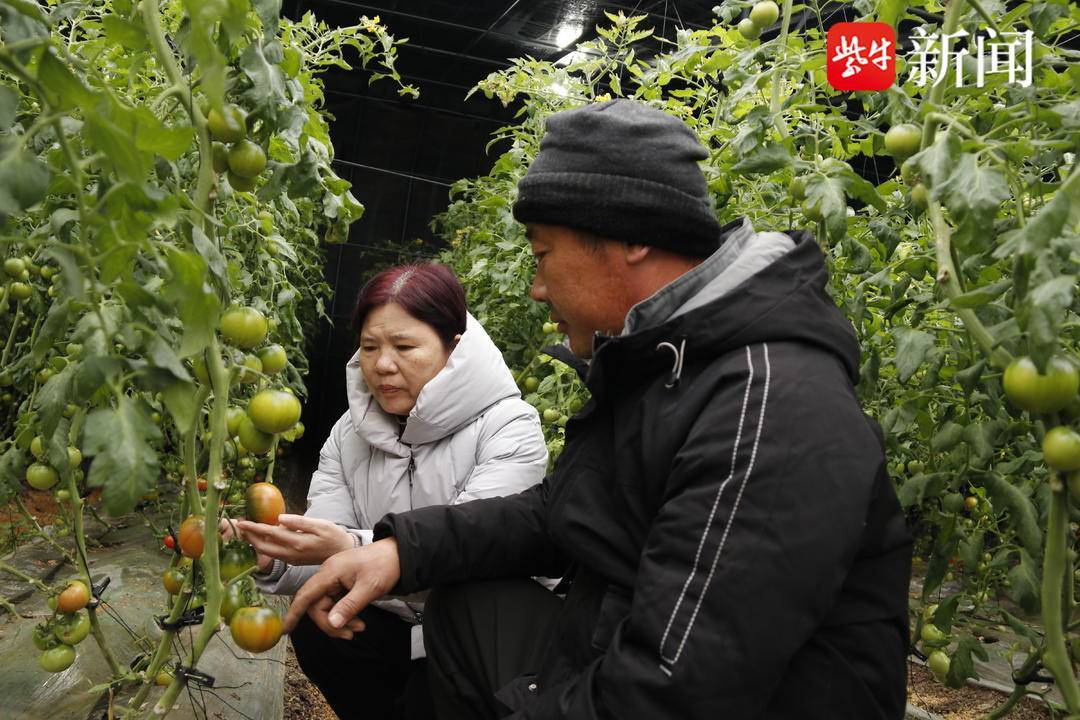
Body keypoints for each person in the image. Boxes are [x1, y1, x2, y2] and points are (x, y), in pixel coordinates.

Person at [282, 100, 913, 719]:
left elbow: (675, 688)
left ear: (630, 238)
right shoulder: (666, 363)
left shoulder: (769, 405)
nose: (536, 287)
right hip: (619, 636)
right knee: (469, 603)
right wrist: (401, 550)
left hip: (744, 697)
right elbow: (563, 514)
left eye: (542, 254)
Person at [232, 262, 549, 720]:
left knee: (433, 685)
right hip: (395, 620)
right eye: (369, 347)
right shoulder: (349, 434)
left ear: (452, 348)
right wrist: (274, 556)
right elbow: (330, 541)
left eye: (404, 346)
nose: (382, 365)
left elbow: (473, 557)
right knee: (321, 630)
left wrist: (350, 549)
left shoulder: (509, 428)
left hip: (479, 635)